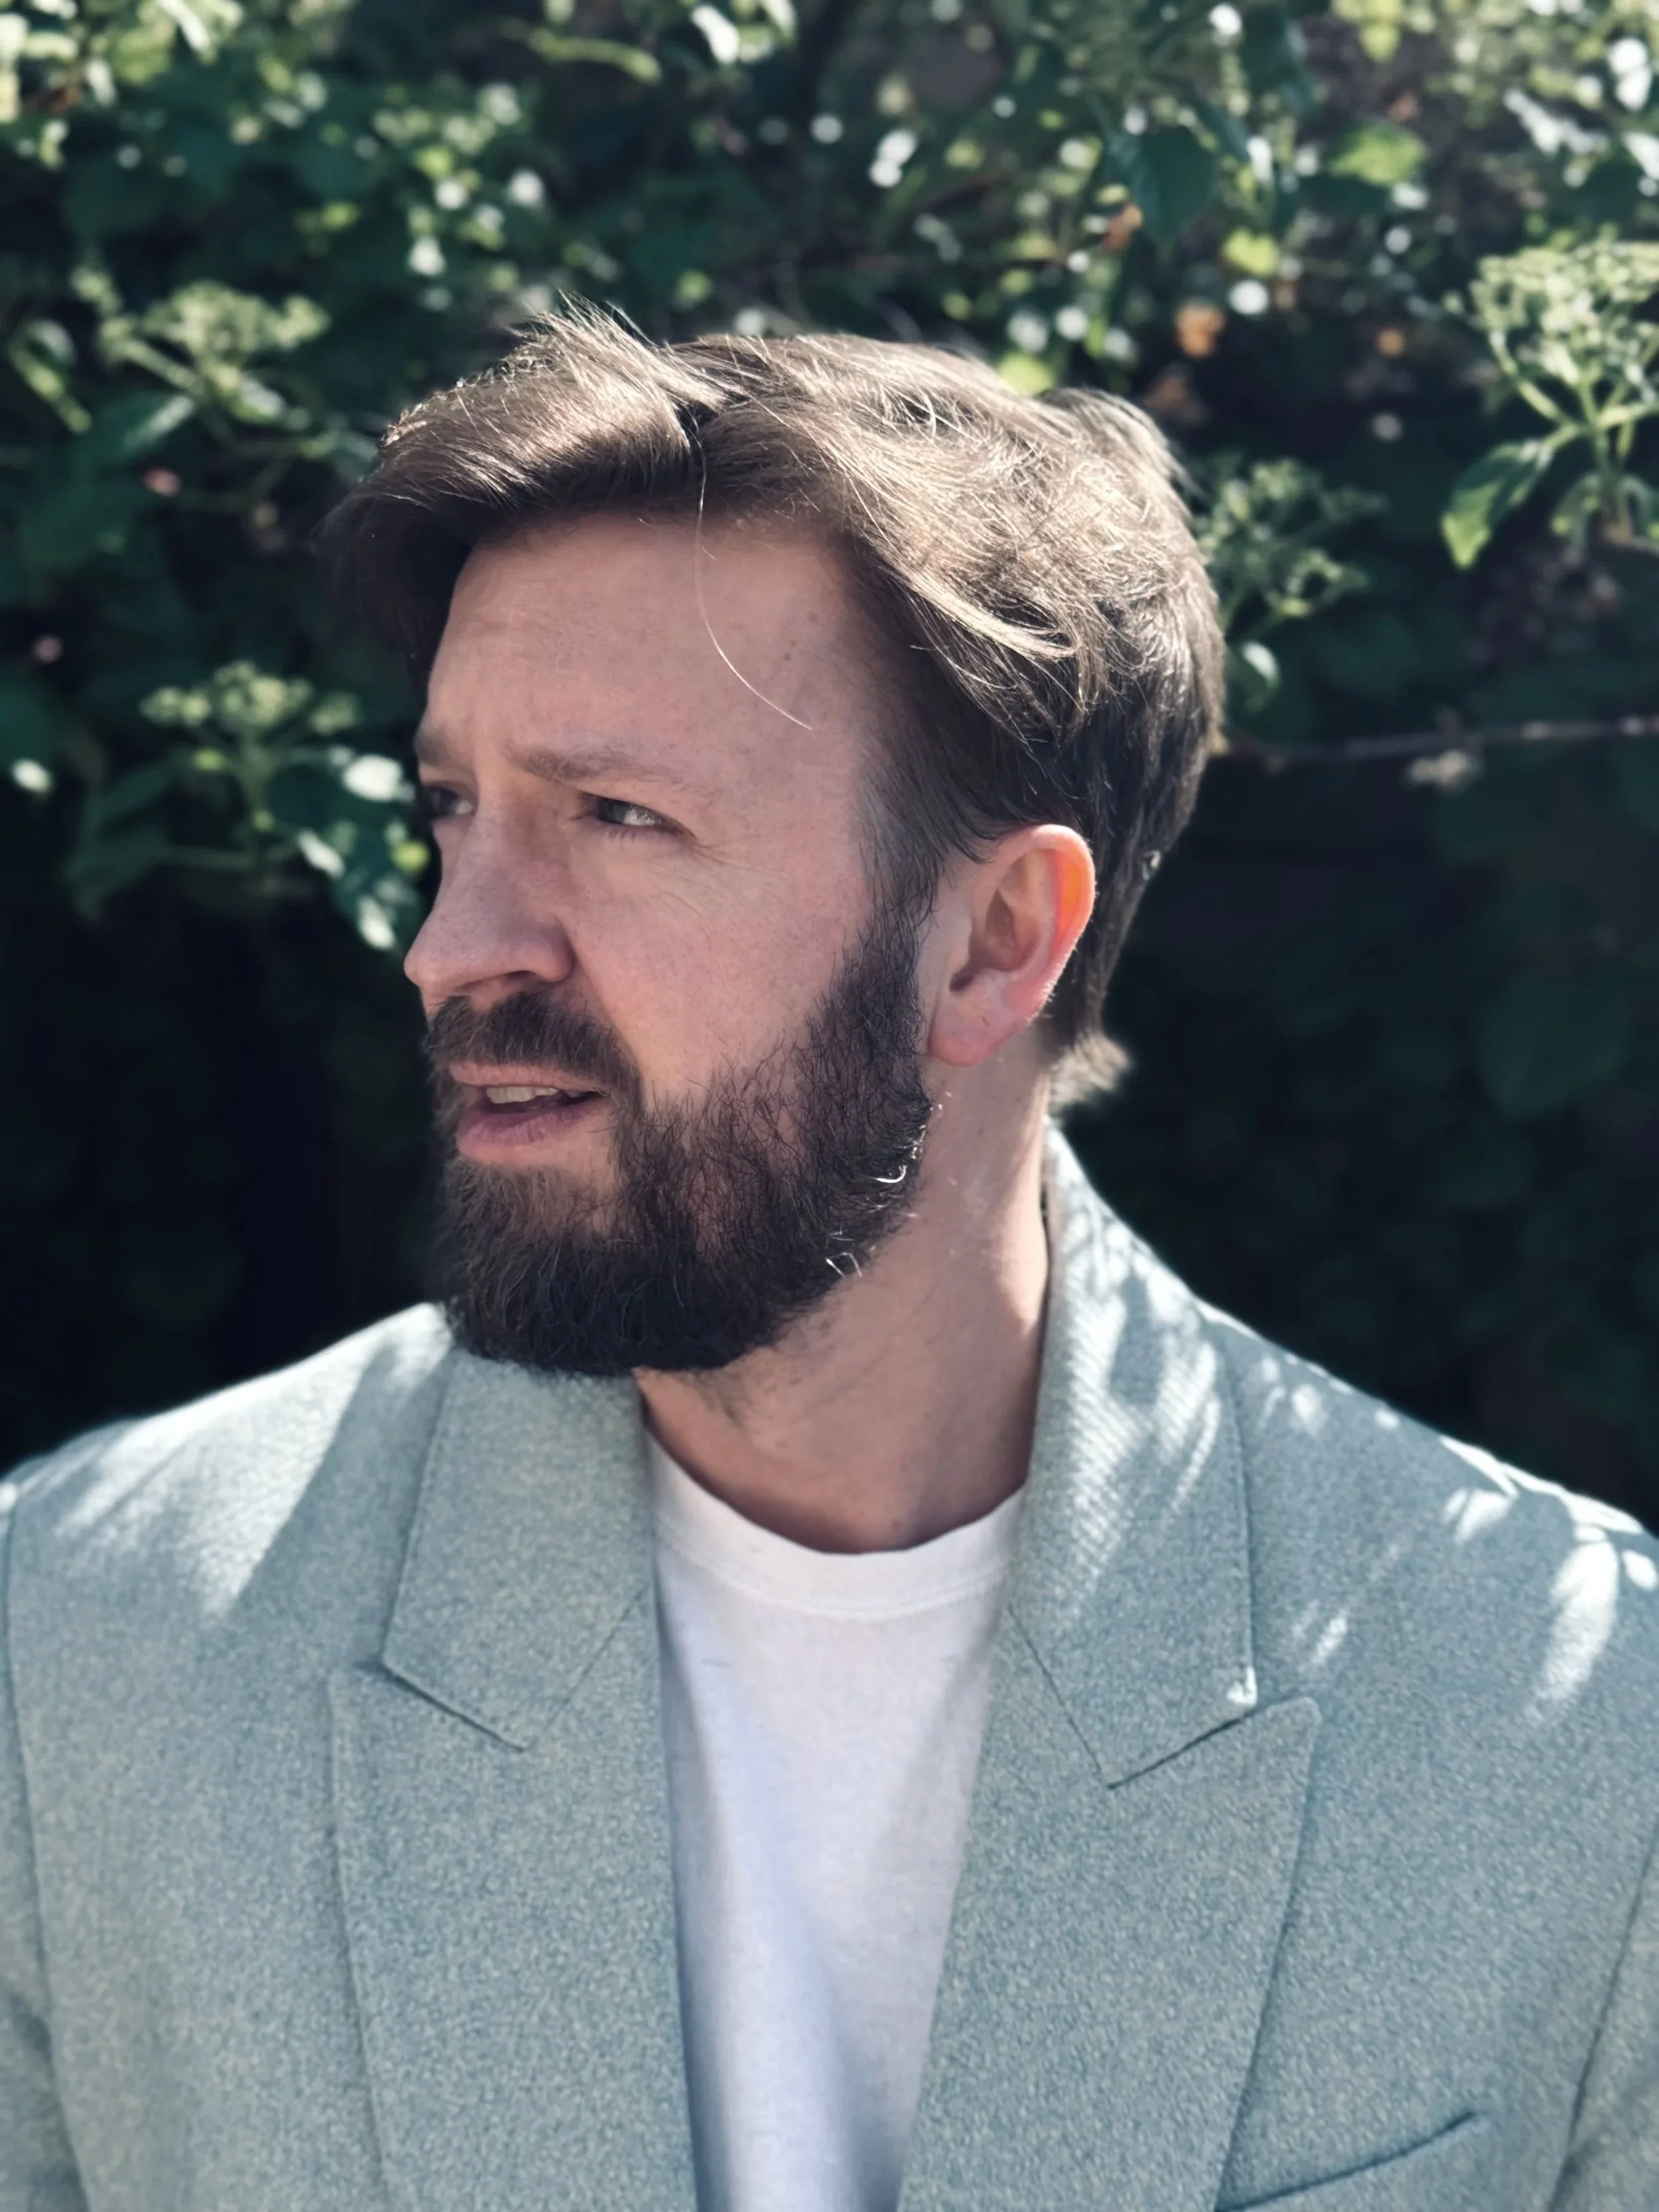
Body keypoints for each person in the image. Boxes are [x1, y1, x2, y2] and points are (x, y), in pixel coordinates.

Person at [3, 313, 1656, 2212]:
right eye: (450, 811)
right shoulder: (85, 1646)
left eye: (617, 817)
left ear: (990, 943)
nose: (453, 945)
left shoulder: (1570, 1725)